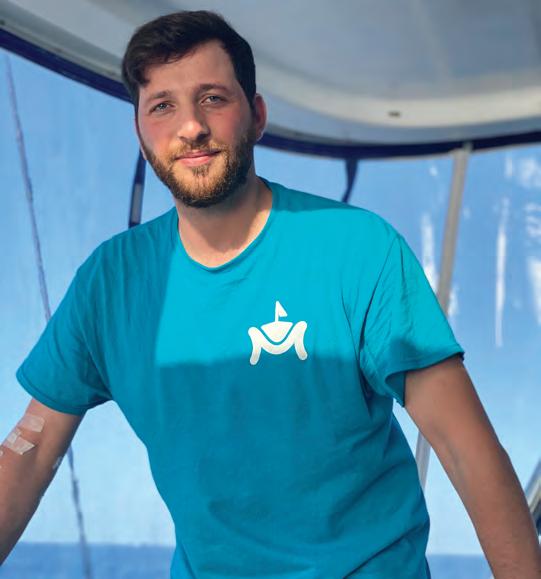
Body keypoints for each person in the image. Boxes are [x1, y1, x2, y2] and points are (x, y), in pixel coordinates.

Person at [1, 10, 540, 579]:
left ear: (257, 115)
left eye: (212, 98)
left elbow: (466, 451)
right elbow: (29, 451)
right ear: (140, 133)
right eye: (162, 106)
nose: (191, 127)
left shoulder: (356, 249)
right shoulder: (108, 282)